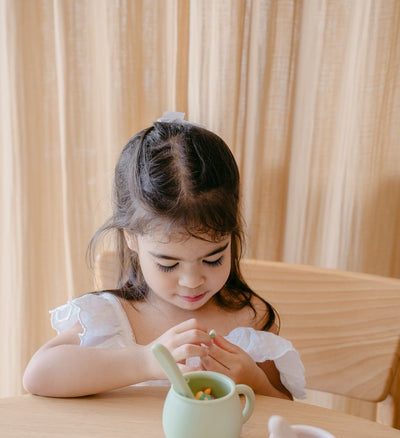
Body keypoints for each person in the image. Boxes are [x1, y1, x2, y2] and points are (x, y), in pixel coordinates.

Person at [23, 112, 305, 399]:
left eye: (213, 259)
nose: (192, 281)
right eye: (168, 264)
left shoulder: (249, 318)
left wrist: (255, 381)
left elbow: (286, 410)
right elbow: (38, 376)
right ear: (130, 237)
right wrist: (145, 360)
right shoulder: (113, 319)